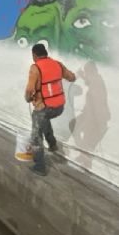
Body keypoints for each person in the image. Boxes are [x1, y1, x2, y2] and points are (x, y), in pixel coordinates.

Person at [24, 43, 76, 175]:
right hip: (59, 107)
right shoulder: (57, 64)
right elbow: (72, 77)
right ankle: (52, 144)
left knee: (36, 135)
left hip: (44, 107)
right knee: (44, 120)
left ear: (34, 55)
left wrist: (28, 99)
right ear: (45, 53)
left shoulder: (35, 68)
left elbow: (29, 90)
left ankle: (40, 166)